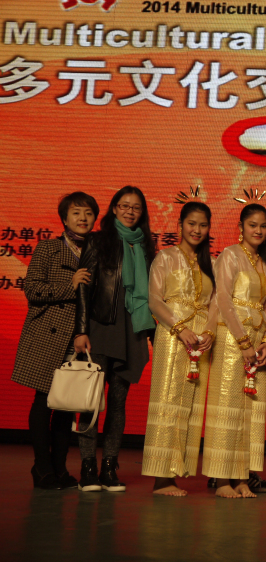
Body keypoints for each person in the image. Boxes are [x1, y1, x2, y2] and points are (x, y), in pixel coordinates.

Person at [12, 192, 99, 489]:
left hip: (79, 338)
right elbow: (32, 289)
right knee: (43, 401)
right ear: (64, 218)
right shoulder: (48, 248)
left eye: (88, 213)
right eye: (76, 212)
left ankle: (60, 468)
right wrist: (69, 285)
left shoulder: (97, 251)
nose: (83, 218)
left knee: (66, 405)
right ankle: (42, 467)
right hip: (46, 336)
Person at [74, 186, 157, 492]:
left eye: (136, 207)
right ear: (114, 208)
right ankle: (87, 467)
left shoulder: (146, 246)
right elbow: (84, 287)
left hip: (132, 330)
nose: (130, 211)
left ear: (142, 212)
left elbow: (153, 294)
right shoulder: (98, 241)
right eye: (124, 206)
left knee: (118, 403)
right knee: (91, 401)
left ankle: (109, 466)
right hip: (101, 328)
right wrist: (81, 330)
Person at [141, 199, 216, 496]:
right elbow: (154, 300)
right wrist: (180, 329)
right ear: (180, 225)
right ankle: (161, 478)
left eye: (203, 225)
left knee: (191, 405)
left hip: (200, 341)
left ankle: (176, 471)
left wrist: (209, 331)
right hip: (173, 336)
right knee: (168, 400)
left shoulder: (210, 263)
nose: (197, 230)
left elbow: (215, 303)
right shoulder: (165, 257)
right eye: (191, 224)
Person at [202, 202, 266, 498]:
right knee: (228, 407)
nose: (258, 230)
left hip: (256, 340)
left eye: (263, 226)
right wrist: (243, 342)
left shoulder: (265, 262)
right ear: (241, 227)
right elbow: (223, 299)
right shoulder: (230, 255)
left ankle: (241, 476)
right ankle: (221, 480)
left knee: (250, 411)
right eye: (252, 225)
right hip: (233, 339)